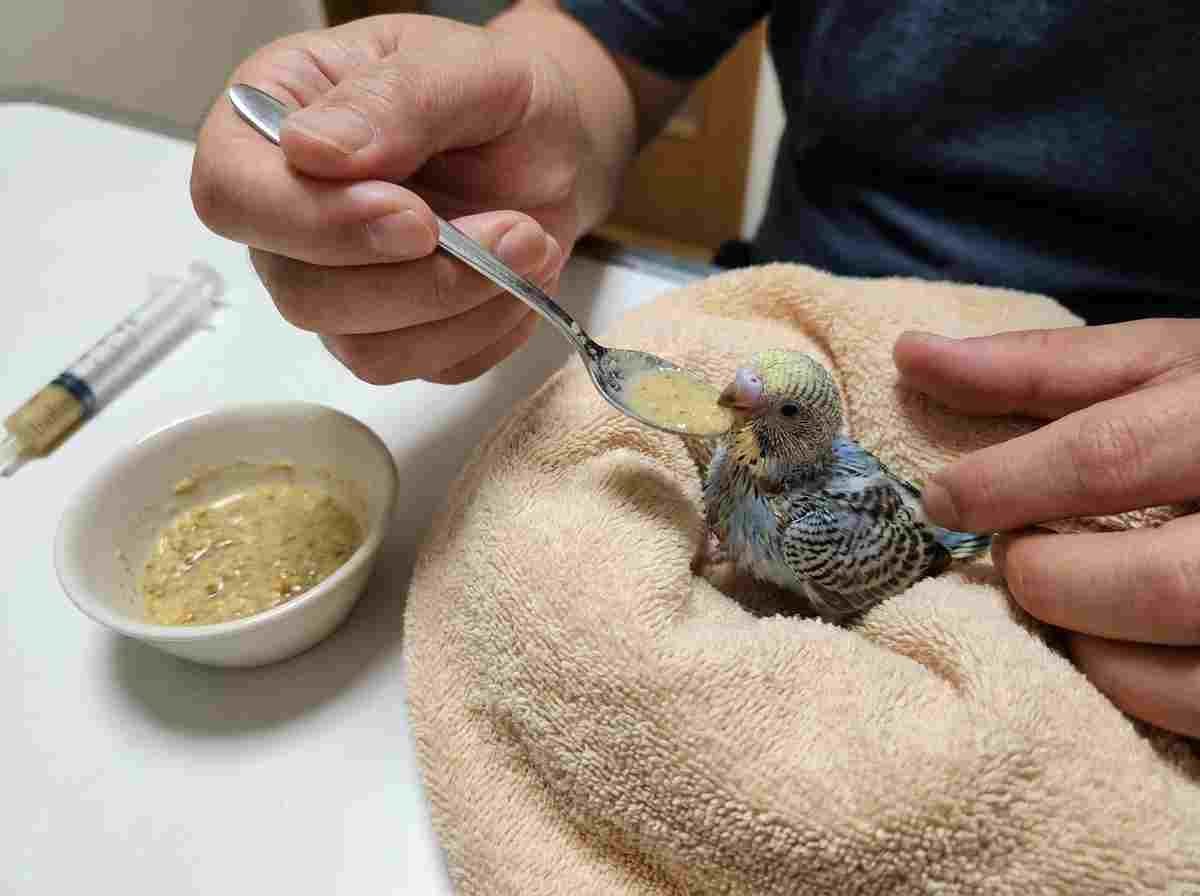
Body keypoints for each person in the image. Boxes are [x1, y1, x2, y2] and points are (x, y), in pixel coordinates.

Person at [189, 2, 1200, 737]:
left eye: (764, 411)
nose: (733, 411)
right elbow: (611, 38)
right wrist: (537, 119)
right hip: (806, 277)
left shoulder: (821, 523)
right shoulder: (729, 461)